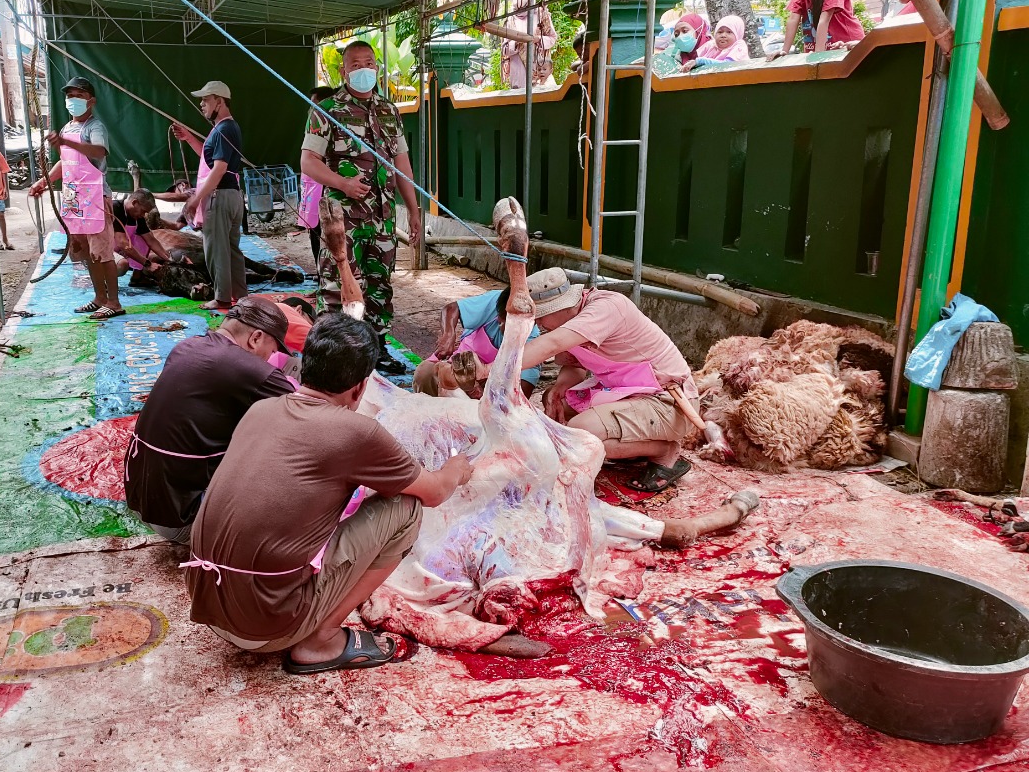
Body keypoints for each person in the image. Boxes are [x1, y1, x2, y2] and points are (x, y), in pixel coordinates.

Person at [184, 313, 474, 673]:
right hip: (263, 626)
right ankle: (320, 639)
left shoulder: (261, 408)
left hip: (207, 602)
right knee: (406, 507)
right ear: (360, 388)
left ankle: (300, 614)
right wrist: (456, 469)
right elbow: (433, 493)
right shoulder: (356, 432)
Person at [511, 268, 698, 493]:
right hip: (627, 391)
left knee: (580, 433)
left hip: (668, 401)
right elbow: (573, 364)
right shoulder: (568, 319)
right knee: (558, 402)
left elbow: (552, 344)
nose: (538, 323)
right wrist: (560, 387)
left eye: (541, 316)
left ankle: (664, 452)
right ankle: (635, 448)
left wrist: (491, 369)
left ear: (562, 304)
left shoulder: (607, 306)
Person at [125, 296, 294, 546]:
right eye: (272, 351)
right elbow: (311, 416)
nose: (270, 359)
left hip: (142, 502)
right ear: (256, 338)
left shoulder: (187, 345)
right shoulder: (251, 370)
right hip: (184, 520)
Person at [300, 40, 423, 375]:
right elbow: (308, 161)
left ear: (377, 67)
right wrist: (343, 184)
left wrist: (413, 210)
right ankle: (335, 356)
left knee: (379, 284)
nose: (364, 69)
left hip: (381, 220)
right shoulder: (327, 110)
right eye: (356, 64)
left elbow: (402, 166)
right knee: (339, 284)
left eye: (369, 62)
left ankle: (377, 349)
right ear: (344, 71)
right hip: (344, 222)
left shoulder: (389, 110)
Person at [29, 77, 122, 321]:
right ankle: (99, 297)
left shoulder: (95, 127)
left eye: (78, 96)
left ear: (91, 101)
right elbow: (65, 160)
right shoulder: (67, 128)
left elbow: (99, 151)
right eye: (70, 96)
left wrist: (66, 142)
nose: (73, 101)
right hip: (74, 196)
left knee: (102, 250)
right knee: (85, 250)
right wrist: (44, 182)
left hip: (94, 196)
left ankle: (114, 301)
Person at [171, 81, 246, 311]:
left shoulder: (224, 128)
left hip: (219, 197)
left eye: (206, 99)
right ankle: (240, 296)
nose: (202, 104)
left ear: (220, 101)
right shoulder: (224, 129)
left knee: (215, 249)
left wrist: (195, 198)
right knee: (231, 249)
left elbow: (219, 168)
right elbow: (209, 158)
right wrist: (188, 138)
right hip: (231, 195)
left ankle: (222, 298)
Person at [414, 287, 542, 399]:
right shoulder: (501, 300)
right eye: (504, 321)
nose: (501, 324)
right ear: (499, 316)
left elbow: (520, 394)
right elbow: (451, 308)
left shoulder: (534, 344)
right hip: (458, 366)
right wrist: (448, 335)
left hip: (491, 386)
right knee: (425, 372)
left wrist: (480, 393)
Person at [298, 86, 336, 271]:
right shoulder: (313, 128)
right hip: (312, 190)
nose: (313, 110)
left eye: (316, 105)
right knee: (314, 235)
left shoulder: (334, 128)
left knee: (326, 238)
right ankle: (320, 277)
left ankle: (327, 280)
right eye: (311, 105)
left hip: (327, 192)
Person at [501, 0, 558, 88]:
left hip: (539, 70)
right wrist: (517, 43)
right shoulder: (510, 20)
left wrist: (537, 39)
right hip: (518, 74)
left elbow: (552, 38)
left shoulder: (541, 14)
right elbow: (504, 49)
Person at [112, 188, 171, 289]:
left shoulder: (137, 217)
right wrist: (148, 264)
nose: (143, 215)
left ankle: (137, 278)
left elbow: (151, 240)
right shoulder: (115, 208)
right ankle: (104, 279)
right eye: (143, 211)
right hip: (101, 250)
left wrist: (170, 259)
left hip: (119, 249)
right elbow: (122, 243)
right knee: (122, 264)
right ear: (135, 202)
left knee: (144, 238)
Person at [680, 15, 752, 72]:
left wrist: (701, 61)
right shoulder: (711, 45)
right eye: (720, 32)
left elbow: (728, 65)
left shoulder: (739, 46)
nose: (723, 35)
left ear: (737, 33)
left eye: (729, 32)